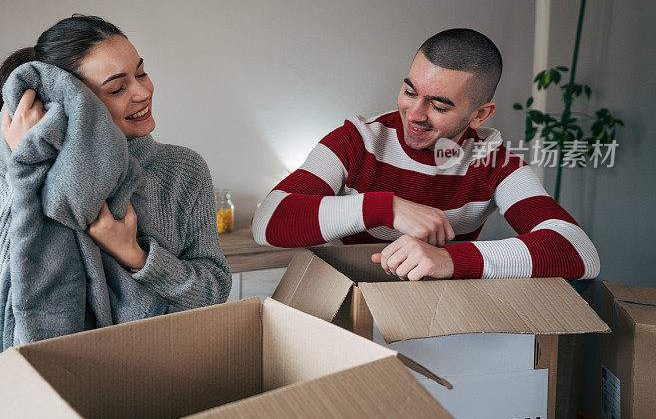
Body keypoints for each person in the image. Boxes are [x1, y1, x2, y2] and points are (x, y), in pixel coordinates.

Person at [252, 28, 600, 281]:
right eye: (409, 91)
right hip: (353, 298)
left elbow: (578, 250)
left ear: (480, 114)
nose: (415, 113)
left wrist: (447, 259)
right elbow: (268, 221)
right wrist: (385, 207)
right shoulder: (356, 141)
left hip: (441, 311)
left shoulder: (497, 163)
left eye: (438, 105)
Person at [0, 14, 231, 315]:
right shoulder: (30, 172)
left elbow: (214, 290)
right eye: (116, 89)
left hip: (166, 356)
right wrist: (25, 164)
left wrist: (135, 256)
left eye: (141, 73)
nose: (143, 92)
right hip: (65, 361)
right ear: (71, 101)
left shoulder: (184, 169)